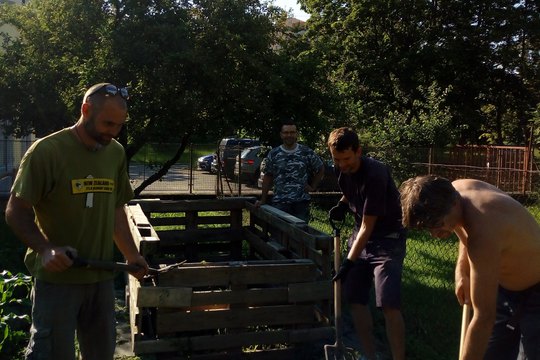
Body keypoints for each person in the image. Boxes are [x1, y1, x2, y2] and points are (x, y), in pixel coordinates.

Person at [5, 83, 149, 360]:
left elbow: (116, 209)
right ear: (86, 110)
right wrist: (46, 249)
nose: (113, 132)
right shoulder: (47, 151)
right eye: (108, 123)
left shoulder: (115, 152)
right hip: (58, 281)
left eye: (119, 125)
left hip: (101, 278)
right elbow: (15, 210)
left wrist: (131, 254)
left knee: (101, 353)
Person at [399, 175, 540, 360]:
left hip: (536, 294)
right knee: (488, 352)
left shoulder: (484, 232)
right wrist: (461, 270)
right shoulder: (455, 191)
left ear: (454, 203)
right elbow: (463, 227)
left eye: (438, 225)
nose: (434, 234)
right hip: (505, 288)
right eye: (428, 228)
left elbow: (483, 318)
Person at [327, 127, 407, 360]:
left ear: (359, 151)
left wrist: (348, 263)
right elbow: (351, 187)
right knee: (354, 298)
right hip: (361, 235)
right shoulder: (340, 166)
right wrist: (343, 203)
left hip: (388, 240)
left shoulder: (376, 174)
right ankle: (369, 356)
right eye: (337, 159)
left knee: (388, 303)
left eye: (347, 159)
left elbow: (367, 226)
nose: (342, 165)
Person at [255, 120, 324, 222]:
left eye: (292, 132)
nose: (289, 135)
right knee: (278, 234)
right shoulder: (274, 154)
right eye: (286, 132)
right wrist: (263, 200)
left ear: (296, 134)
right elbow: (268, 176)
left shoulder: (306, 152)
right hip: (280, 202)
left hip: (301, 203)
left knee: (300, 235)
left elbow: (320, 168)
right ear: (281, 135)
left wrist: (313, 186)